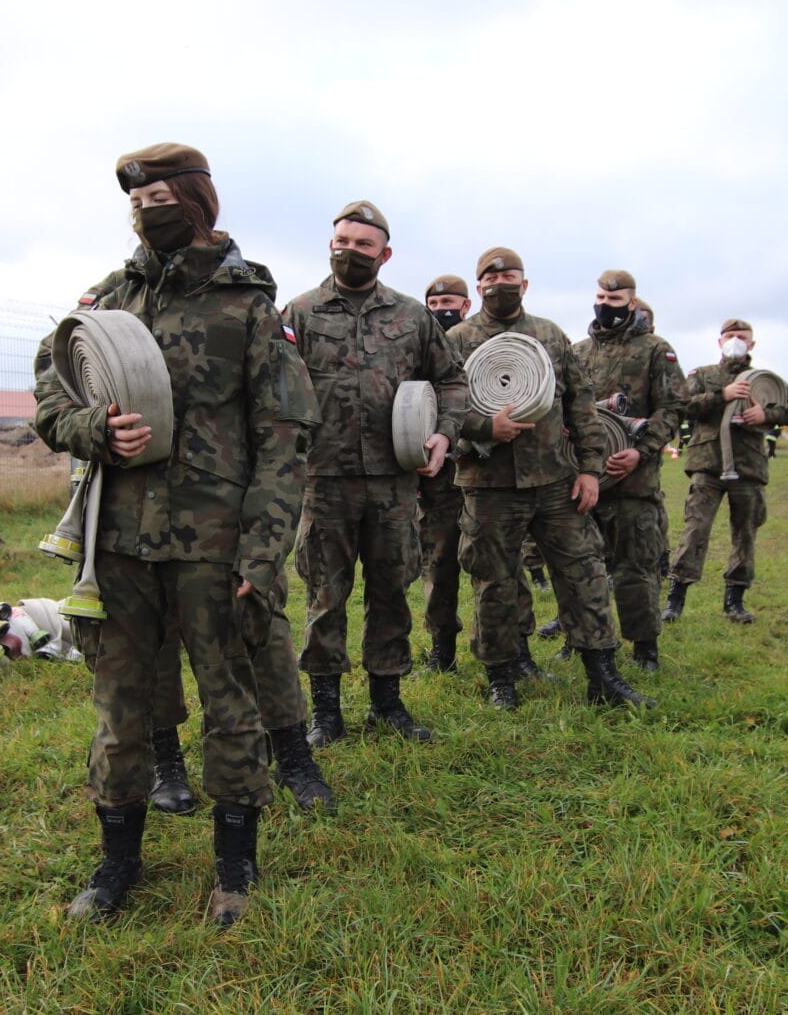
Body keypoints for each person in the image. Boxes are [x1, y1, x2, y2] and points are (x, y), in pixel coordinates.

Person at [33, 143, 317, 927]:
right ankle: (117, 863)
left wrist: (263, 551)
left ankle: (235, 870)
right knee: (120, 707)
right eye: (138, 197)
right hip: (118, 545)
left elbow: (286, 436)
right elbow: (50, 398)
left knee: (230, 703)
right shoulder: (106, 302)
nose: (148, 207)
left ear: (196, 199)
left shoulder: (249, 307)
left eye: (163, 193)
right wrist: (95, 428)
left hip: (213, 544)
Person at [282, 202, 467, 746]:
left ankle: (388, 704)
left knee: (391, 591)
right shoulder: (299, 313)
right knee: (324, 595)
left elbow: (451, 382)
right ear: (330, 243)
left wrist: (445, 433)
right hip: (325, 481)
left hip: (393, 482)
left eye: (364, 244)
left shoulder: (413, 317)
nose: (350, 251)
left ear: (384, 254)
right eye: (342, 240)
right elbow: (271, 390)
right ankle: (326, 713)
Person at [446, 247, 650, 711]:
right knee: (493, 582)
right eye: (492, 278)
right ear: (478, 287)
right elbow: (441, 405)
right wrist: (482, 427)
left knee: (585, 573)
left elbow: (582, 404)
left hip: (557, 482)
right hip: (489, 485)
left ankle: (604, 676)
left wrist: (591, 469)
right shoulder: (457, 339)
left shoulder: (549, 335)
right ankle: (502, 676)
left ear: (526, 282)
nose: (502, 283)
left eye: (511, 275)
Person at [572, 271, 686, 672]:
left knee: (635, 568)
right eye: (601, 295)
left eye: (616, 298)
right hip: (585, 481)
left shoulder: (656, 350)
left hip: (634, 483)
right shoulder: (579, 351)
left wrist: (641, 450)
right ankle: (583, 640)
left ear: (632, 303)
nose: (607, 303)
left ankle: (644, 647)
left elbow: (672, 408)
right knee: (581, 569)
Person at [664, 318, 788, 624]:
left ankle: (735, 601)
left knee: (745, 534)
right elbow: (682, 405)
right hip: (707, 465)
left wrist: (766, 414)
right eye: (729, 336)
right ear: (719, 341)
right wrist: (722, 396)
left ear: (752, 343)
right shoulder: (703, 375)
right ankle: (675, 599)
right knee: (695, 530)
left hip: (748, 466)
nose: (735, 341)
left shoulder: (764, 379)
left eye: (742, 337)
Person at [415, 275, 470, 673]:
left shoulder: (487, 342)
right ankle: (442, 648)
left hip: (490, 470)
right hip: (439, 475)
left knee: (497, 563)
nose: (440, 309)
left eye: (448, 302)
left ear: (466, 305)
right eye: (433, 303)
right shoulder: (417, 345)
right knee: (439, 561)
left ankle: (510, 648)